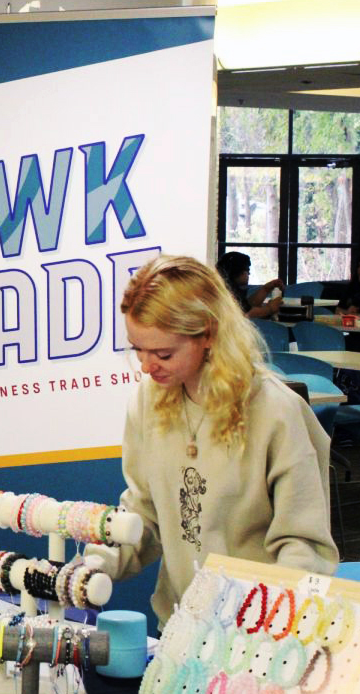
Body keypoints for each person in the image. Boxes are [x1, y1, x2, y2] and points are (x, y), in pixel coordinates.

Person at [90, 255, 337, 627]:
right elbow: (143, 516)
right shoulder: (148, 399)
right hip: (178, 629)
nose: (145, 366)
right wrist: (95, 565)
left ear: (207, 333)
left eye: (162, 353)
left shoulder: (275, 412)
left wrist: (269, 632)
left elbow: (305, 550)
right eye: (138, 349)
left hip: (255, 641)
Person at [215, 251, 283, 318]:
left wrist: (265, 289)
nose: (249, 274)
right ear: (239, 272)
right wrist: (269, 309)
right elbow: (247, 313)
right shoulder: (228, 291)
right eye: (247, 270)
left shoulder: (225, 287)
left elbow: (247, 305)